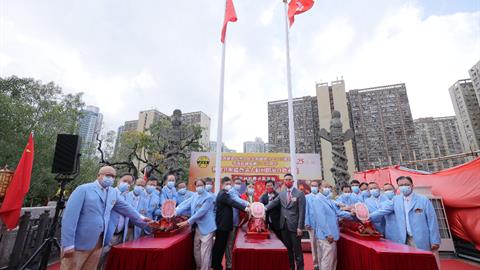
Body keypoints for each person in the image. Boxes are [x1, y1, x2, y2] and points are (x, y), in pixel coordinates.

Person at [61, 166, 151, 270]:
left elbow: (127, 208)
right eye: (108, 175)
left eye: (113, 176)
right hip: (79, 243)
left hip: (99, 242)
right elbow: (69, 219)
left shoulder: (112, 193)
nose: (110, 178)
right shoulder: (83, 189)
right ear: (98, 175)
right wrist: (68, 244)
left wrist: (143, 219)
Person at [369, 176, 441, 266]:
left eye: (406, 184)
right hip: (404, 238)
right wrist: (366, 217)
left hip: (421, 238)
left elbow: (432, 220)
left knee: (424, 263)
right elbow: (382, 211)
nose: (404, 187)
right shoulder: (396, 200)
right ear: (398, 187)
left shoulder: (423, 200)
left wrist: (435, 240)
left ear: (412, 185)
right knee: (409, 263)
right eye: (401, 185)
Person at [266, 173, 306, 270]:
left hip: (295, 227)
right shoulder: (281, 193)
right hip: (283, 226)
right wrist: (262, 208)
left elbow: (302, 212)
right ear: (284, 181)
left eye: (289, 179)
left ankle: (300, 268)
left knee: (297, 250)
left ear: (292, 181)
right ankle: (291, 268)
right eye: (286, 179)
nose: (287, 181)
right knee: (288, 250)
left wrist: (300, 227)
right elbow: (274, 203)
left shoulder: (299, 194)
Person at [176, 179, 216, 270]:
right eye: (197, 185)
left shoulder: (209, 197)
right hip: (197, 227)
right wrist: (175, 211)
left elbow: (201, 212)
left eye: (201, 185)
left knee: (205, 252)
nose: (199, 187)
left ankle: (205, 268)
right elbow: (185, 204)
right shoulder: (194, 195)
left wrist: (188, 221)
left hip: (207, 227)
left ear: (205, 186)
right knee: (196, 250)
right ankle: (199, 267)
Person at [310, 189, 354, 270]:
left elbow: (338, 212)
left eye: (329, 187)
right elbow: (321, 219)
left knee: (332, 259)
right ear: (320, 188)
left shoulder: (328, 200)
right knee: (327, 260)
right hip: (326, 235)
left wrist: (352, 214)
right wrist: (327, 234)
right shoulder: (318, 200)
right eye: (325, 187)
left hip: (332, 234)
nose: (328, 189)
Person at [211, 177, 249, 270]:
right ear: (222, 185)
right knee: (220, 247)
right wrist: (245, 208)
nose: (229, 186)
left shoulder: (225, 194)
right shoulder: (223, 194)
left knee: (220, 246)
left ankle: (216, 264)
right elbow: (233, 202)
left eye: (229, 184)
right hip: (222, 226)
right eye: (227, 184)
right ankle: (216, 266)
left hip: (224, 225)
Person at [225, 177, 249, 270]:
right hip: (231, 222)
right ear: (232, 183)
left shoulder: (238, 193)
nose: (238, 184)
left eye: (240, 183)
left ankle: (231, 263)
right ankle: (229, 265)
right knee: (230, 244)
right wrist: (248, 204)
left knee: (232, 243)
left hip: (236, 222)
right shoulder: (232, 192)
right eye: (236, 183)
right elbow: (237, 201)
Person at [305, 180, 320, 270]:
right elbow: (306, 211)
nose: (314, 187)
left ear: (318, 187)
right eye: (312, 186)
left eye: (316, 186)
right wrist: (307, 223)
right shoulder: (307, 197)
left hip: (321, 225)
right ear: (310, 187)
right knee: (313, 244)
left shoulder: (321, 197)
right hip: (311, 224)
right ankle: (316, 264)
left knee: (321, 244)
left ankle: (322, 261)